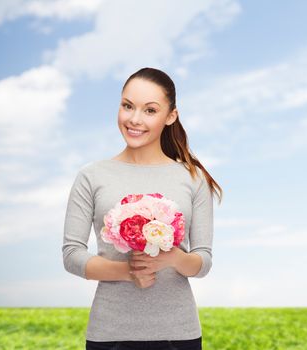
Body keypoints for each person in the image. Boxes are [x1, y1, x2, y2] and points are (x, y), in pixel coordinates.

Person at [62, 67, 223, 350]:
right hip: (109, 334)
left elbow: (203, 261)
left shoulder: (193, 178)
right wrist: (127, 271)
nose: (134, 119)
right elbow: (72, 254)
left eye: (150, 110)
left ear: (170, 116)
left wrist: (172, 258)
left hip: (178, 334)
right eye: (127, 106)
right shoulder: (91, 175)